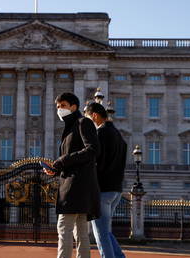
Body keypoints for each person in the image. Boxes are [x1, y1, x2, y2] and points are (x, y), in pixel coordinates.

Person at [43, 92, 101, 258]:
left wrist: (62, 161)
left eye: (63, 106)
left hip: (76, 187)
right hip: (77, 185)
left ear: (73, 107)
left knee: (64, 229)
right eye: (58, 107)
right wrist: (55, 170)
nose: (59, 110)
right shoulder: (70, 127)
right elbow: (72, 161)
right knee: (81, 233)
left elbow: (93, 150)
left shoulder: (83, 122)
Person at [84, 102, 127, 258]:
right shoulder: (118, 134)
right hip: (116, 190)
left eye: (88, 118)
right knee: (106, 231)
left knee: (100, 234)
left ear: (94, 116)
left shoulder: (100, 134)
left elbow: (96, 163)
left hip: (103, 190)